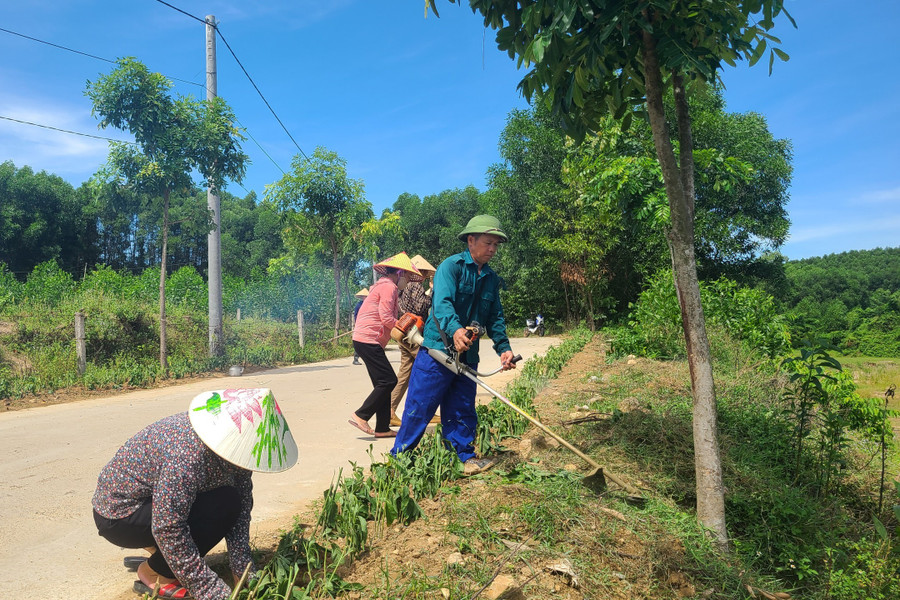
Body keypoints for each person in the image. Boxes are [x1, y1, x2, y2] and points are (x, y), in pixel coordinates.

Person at [92, 388, 298, 600]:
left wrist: (243, 568)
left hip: (154, 501)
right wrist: (211, 591)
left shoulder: (237, 451)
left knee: (230, 500)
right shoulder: (188, 454)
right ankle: (155, 572)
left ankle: (166, 557)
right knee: (222, 506)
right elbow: (167, 526)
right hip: (120, 516)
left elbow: (242, 506)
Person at [392, 215, 516, 475]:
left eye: (496, 245)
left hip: (467, 355)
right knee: (420, 407)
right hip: (437, 352)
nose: (493, 249)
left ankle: (462, 459)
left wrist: (504, 348)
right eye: (488, 243)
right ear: (471, 241)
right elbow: (442, 304)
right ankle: (400, 463)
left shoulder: (491, 278)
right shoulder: (451, 267)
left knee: (462, 409)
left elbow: (495, 317)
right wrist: (456, 330)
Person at [349, 252, 422, 438]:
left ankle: (382, 428)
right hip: (368, 339)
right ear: (398, 273)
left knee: (383, 384)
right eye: (406, 275)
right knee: (389, 381)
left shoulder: (382, 286)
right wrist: (405, 329)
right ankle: (361, 415)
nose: (407, 279)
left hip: (364, 340)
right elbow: (386, 318)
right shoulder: (389, 287)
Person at [389, 254, 436, 426]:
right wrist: (432, 292)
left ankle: (389, 409)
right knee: (428, 368)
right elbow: (420, 306)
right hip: (413, 332)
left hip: (404, 330)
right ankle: (425, 411)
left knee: (405, 373)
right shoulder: (415, 285)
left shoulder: (403, 286)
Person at [351, 288, 369, 365]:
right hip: (360, 325)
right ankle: (355, 359)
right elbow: (356, 316)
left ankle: (368, 358)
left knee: (367, 342)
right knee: (359, 342)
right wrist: (358, 324)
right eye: (364, 296)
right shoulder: (359, 305)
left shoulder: (369, 305)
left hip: (367, 326)